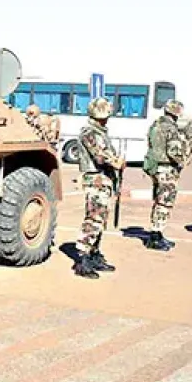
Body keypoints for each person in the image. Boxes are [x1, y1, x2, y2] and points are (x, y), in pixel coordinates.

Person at [73, 97, 124, 279]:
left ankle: (94, 254)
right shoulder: (90, 133)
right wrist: (116, 162)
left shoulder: (99, 132)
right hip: (96, 179)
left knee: (101, 220)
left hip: (103, 179)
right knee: (94, 219)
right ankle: (83, 258)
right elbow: (100, 156)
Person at [141, 99, 188, 251]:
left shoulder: (155, 125)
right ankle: (155, 235)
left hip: (155, 167)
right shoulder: (171, 128)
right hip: (166, 169)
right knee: (164, 202)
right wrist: (182, 161)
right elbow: (173, 151)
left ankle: (157, 234)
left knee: (158, 200)